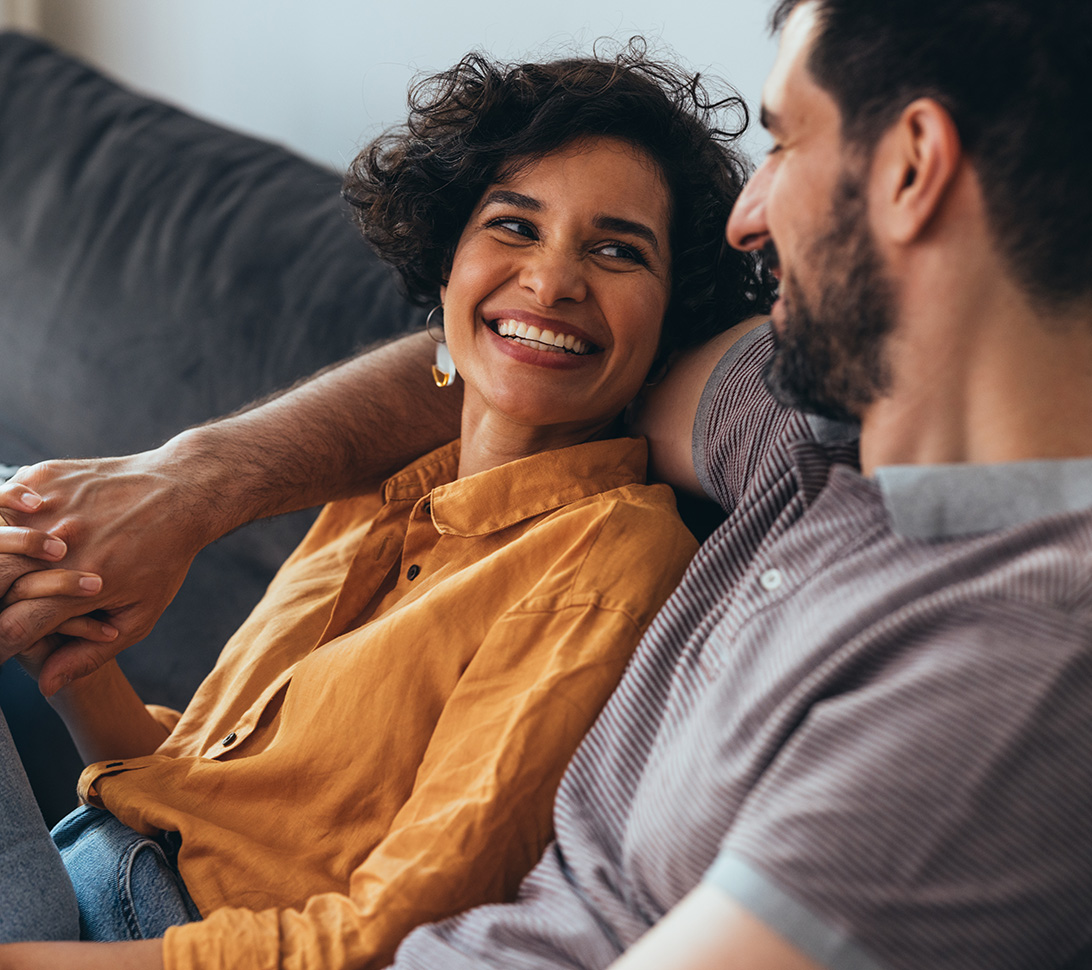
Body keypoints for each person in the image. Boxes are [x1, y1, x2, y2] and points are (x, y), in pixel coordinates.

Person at [5, 0, 1092, 967]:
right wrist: (182, 493)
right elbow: (525, 361)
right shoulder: (792, 415)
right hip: (118, 851)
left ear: (911, 165)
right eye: (511, 227)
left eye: (785, 139)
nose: (748, 218)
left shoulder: (1003, 665)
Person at [0, 45, 773, 970]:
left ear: (670, 317)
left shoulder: (609, 567)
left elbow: (386, 939)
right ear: (447, 263)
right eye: (515, 227)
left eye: (616, 250)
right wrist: (67, 638)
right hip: (85, 870)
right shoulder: (384, 488)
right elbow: (207, 793)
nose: (554, 280)